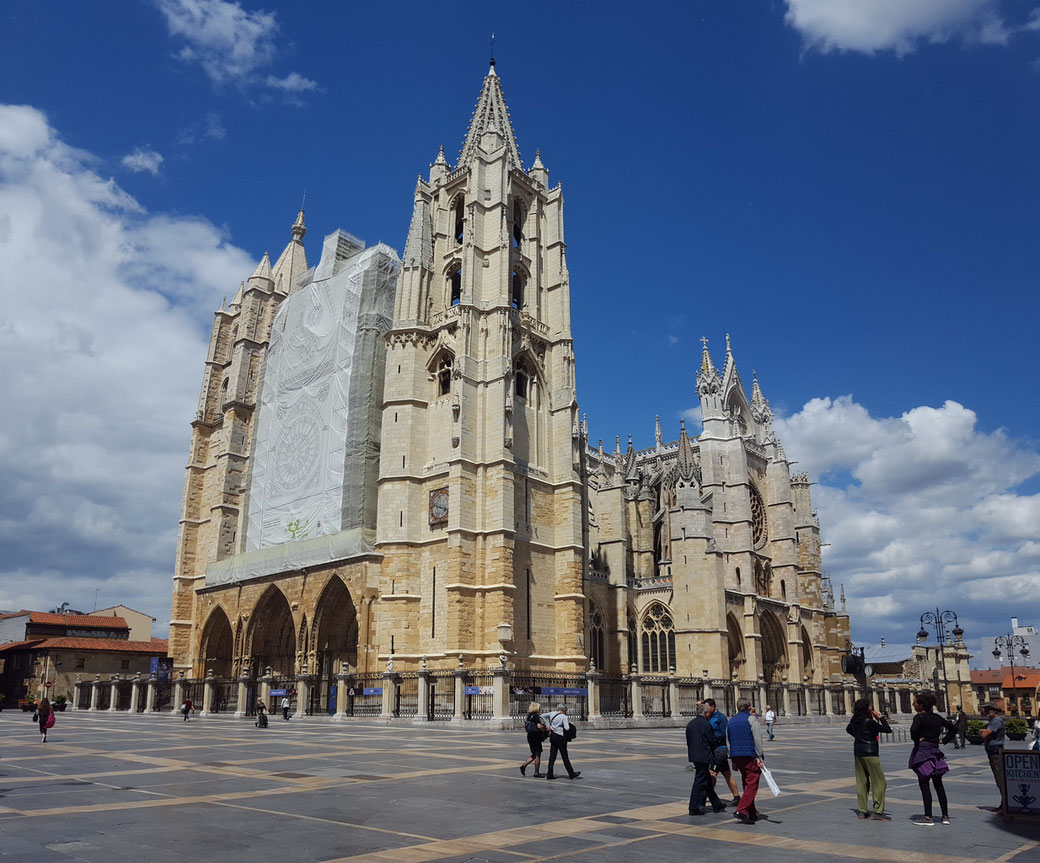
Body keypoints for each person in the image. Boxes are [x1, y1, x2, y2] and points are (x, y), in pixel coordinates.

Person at [909, 691, 957, 826]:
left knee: (924, 785)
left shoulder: (919, 718)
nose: (913, 704)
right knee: (939, 785)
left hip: (923, 752)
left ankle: (928, 817)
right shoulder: (937, 718)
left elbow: (913, 732)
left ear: (921, 705)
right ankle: (945, 816)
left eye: (915, 702)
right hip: (935, 752)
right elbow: (953, 728)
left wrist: (918, 739)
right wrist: (944, 740)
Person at [846, 698, 892, 820]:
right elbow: (888, 730)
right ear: (867, 708)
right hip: (871, 753)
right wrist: (880, 717)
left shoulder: (855, 719)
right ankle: (878, 811)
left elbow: (848, 729)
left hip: (858, 752)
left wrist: (858, 736)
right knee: (879, 782)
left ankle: (862, 811)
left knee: (862, 782)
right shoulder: (869, 721)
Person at [728, 698, 765, 825]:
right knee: (752, 783)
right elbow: (757, 739)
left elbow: (730, 740)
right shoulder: (751, 719)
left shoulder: (731, 721)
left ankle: (752, 813)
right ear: (749, 707)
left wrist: (732, 759)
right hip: (749, 756)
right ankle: (742, 810)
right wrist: (760, 756)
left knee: (747, 783)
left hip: (737, 757)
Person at [686, 703, 726, 815]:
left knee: (707, 780)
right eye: (708, 712)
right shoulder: (705, 724)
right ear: (705, 713)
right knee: (699, 781)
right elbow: (711, 740)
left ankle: (717, 804)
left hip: (694, 755)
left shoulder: (691, 724)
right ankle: (693, 807)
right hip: (704, 756)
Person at [705, 699, 742, 805]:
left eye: (707, 708)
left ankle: (707, 795)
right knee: (727, 774)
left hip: (720, 750)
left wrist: (711, 737)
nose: (706, 710)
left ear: (713, 706)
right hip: (714, 749)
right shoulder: (709, 716)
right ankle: (737, 796)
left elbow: (723, 733)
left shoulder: (721, 718)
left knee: (712, 773)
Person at [980, 702, 1006, 812]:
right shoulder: (993, 721)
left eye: (987, 710)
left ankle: (1005, 805)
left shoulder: (996, 721)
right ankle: (1003, 804)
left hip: (996, 753)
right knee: (999, 780)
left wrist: (984, 731)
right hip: (992, 753)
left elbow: (984, 734)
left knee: (1000, 780)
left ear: (994, 711)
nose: (985, 712)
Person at [545, 705, 581, 781]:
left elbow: (542, 716)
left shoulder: (552, 713)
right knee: (565, 756)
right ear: (564, 710)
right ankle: (571, 773)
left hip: (553, 736)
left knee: (552, 756)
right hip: (561, 737)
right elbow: (567, 728)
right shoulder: (564, 717)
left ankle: (550, 773)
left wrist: (548, 725)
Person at [520, 701, 547, 777]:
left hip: (530, 736)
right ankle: (536, 772)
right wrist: (544, 728)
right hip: (536, 736)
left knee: (534, 754)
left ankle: (524, 766)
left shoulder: (529, 715)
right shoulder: (536, 715)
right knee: (538, 754)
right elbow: (538, 726)